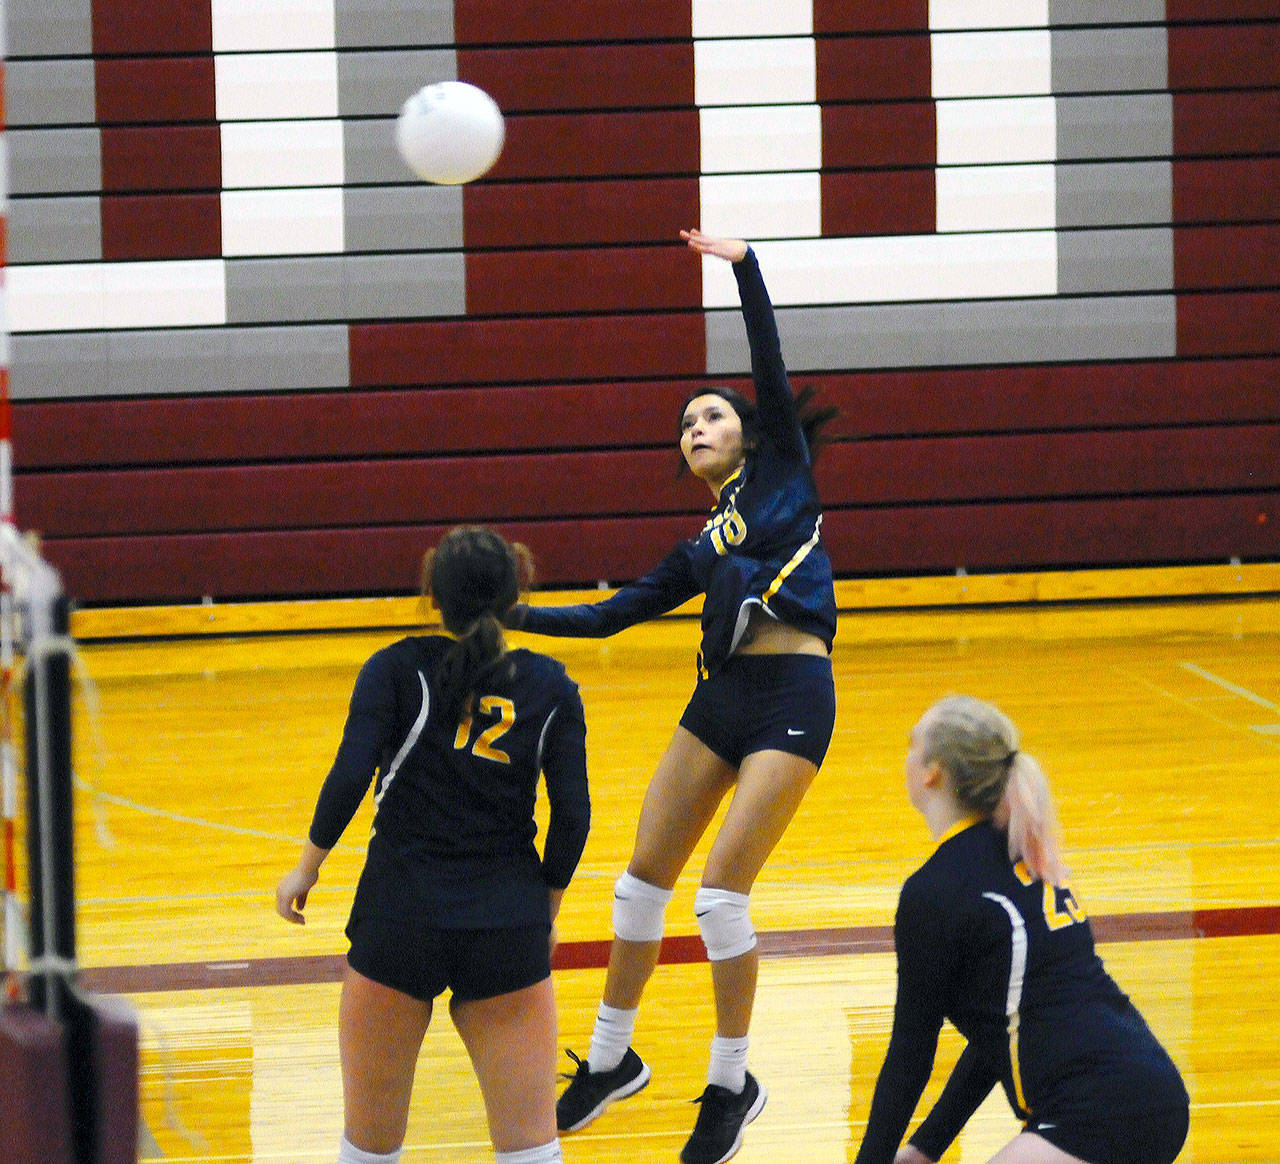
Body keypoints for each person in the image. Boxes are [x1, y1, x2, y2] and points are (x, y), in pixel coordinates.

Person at [504, 228, 839, 1164]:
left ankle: (733, 1082)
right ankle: (613, 1060)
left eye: (712, 416)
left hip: (795, 695)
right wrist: (508, 614)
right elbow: (613, 616)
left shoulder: (781, 474)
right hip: (722, 696)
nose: (697, 428)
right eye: (686, 424)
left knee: (721, 901)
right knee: (637, 886)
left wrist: (745, 267)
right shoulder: (703, 545)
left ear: (751, 433)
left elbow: (767, 363)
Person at [275, 526, 591, 1164]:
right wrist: (545, 910)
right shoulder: (551, 685)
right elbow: (573, 819)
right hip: (506, 922)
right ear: (517, 593)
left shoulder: (394, 667)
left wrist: (305, 870)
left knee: (370, 1147)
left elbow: (349, 776)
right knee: (531, 1150)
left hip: (401, 915)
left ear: (431, 594)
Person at [853, 695, 1190, 1164]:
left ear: (932, 772)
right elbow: (999, 1034)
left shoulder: (936, 890)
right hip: (1150, 1091)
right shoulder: (1021, 850)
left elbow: (910, 1055)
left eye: (913, 746)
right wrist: (926, 1147)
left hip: (1094, 1114)